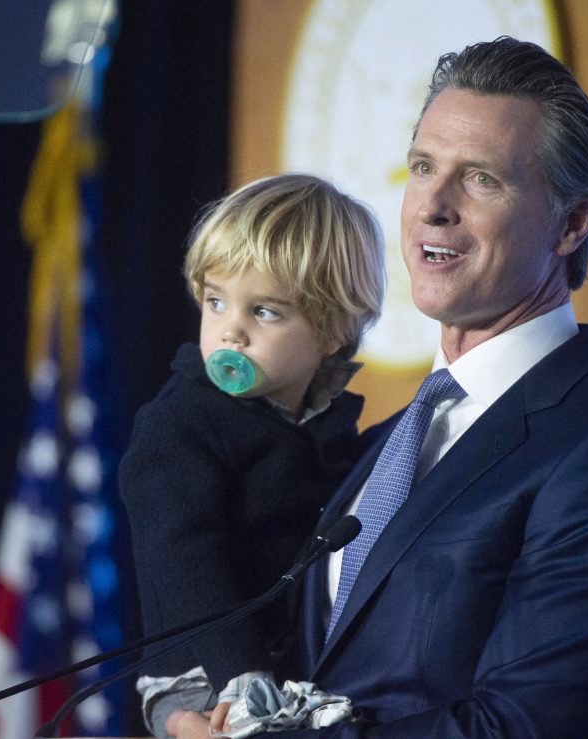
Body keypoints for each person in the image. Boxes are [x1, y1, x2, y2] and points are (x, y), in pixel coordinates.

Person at [168, 36, 588, 738]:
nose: (432, 206)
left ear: (574, 223)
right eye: (423, 167)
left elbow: (516, 729)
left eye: (481, 178)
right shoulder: (388, 443)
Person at [119, 173, 387, 737]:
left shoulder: (332, 426)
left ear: (333, 330)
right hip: (207, 671)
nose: (230, 332)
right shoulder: (178, 423)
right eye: (215, 301)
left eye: (263, 311)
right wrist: (242, 673)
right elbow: (185, 556)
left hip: (299, 668)